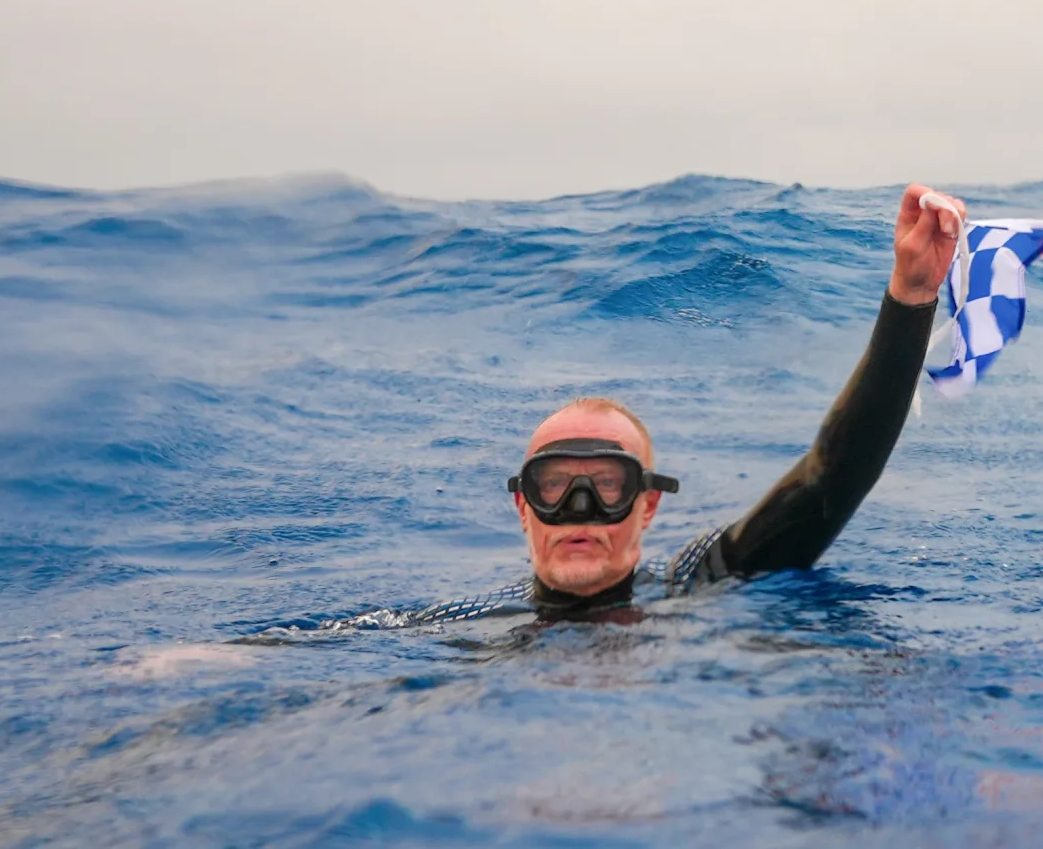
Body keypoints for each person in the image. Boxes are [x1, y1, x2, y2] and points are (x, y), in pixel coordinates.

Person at [353, 184, 964, 626]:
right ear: (522, 505)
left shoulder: (699, 585)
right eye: (555, 484)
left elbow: (834, 471)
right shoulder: (467, 630)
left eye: (608, 485)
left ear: (646, 506)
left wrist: (910, 297)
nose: (580, 509)